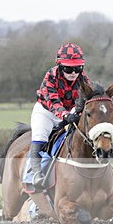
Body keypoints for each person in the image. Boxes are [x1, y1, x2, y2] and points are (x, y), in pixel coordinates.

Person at [27, 42, 92, 190]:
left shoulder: (83, 78)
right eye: (69, 68)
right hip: (46, 112)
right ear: (60, 66)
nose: (73, 73)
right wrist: (64, 114)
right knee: (40, 137)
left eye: (78, 68)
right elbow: (53, 100)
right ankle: (36, 173)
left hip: (70, 111)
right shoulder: (51, 76)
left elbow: (88, 97)